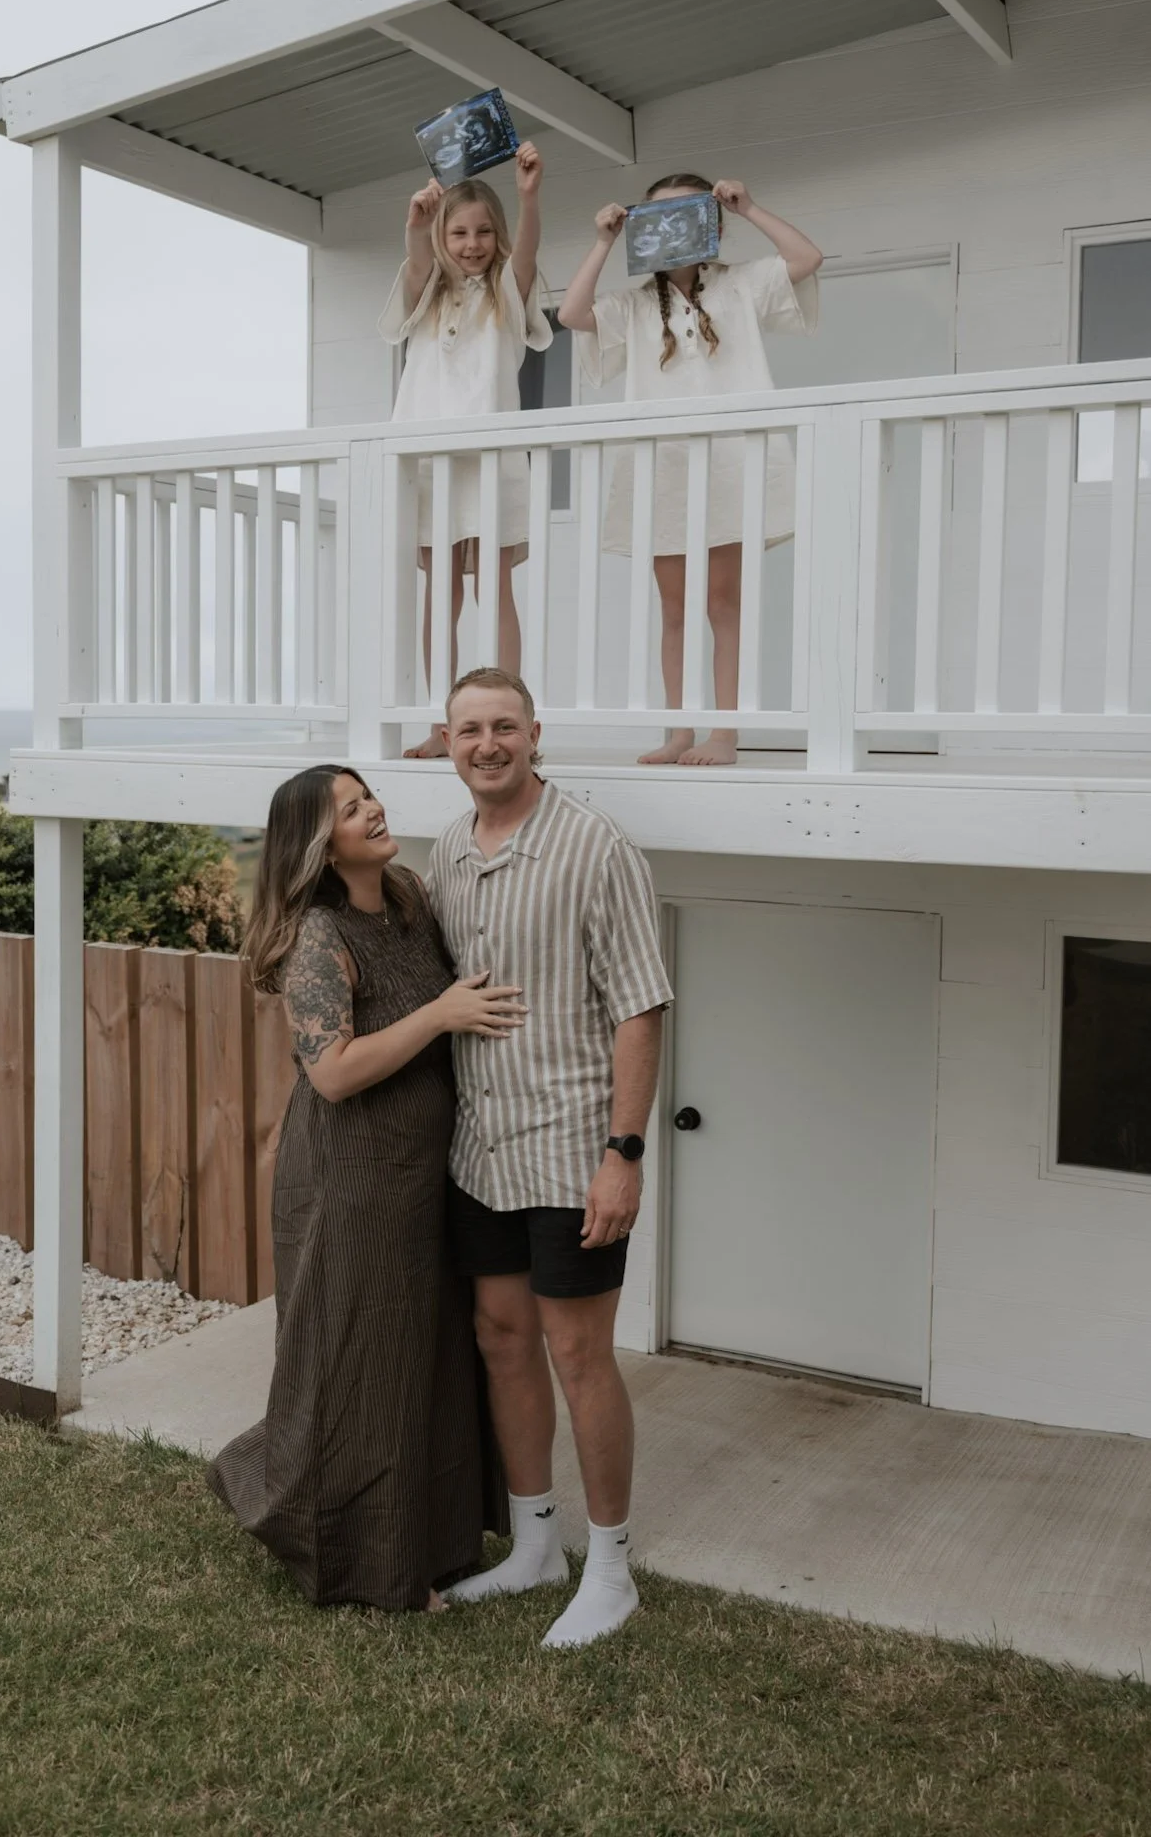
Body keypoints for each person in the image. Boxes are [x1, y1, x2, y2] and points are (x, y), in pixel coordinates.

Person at [206, 765, 519, 1611]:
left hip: (426, 1171)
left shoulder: (410, 895)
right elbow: (335, 1073)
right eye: (349, 809)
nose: (372, 809)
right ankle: (365, 1564)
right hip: (351, 1179)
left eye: (367, 795)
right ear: (320, 842)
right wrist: (441, 1016)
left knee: (425, 1359)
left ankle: (437, 1543)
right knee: (360, 1367)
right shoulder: (318, 936)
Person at [427, 668, 672, 1648]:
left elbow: (640, 1005)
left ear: (535, 733)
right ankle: (535, 1545)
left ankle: (611, 1570)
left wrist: (625, 1152)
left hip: (573, 1149)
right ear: (445, 741)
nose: (486, 743)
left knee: (578, 1350)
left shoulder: (595, 847)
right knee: (500, 1335)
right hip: (481, 1148)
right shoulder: (447, 849)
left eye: (503, 726)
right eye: (467, 729)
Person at [558, 173, 822, 767]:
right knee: (673, 609)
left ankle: (724, 732)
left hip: (729, 459)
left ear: (712, 223)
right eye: (658, 218)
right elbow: (573, 313)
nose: (673, 228)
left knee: (722, 603)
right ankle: (679, 729)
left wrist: (749, 206)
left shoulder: (740, 285)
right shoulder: (632, 305)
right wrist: (604, 241)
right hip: (665, 466)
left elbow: (806, 258)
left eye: (687, 215)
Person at [378, 145, 550, 759]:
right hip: (431, 465)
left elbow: (524, 257)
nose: (471, 243)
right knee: (440, 592)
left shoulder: (505, 290)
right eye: (459, 231)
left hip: (490, 461)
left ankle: (509, 720)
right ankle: (439, 722)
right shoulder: (425, 295)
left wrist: (528, 198)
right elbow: (420, 267)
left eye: (482, 231)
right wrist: (416, 228)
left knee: (494, 586)